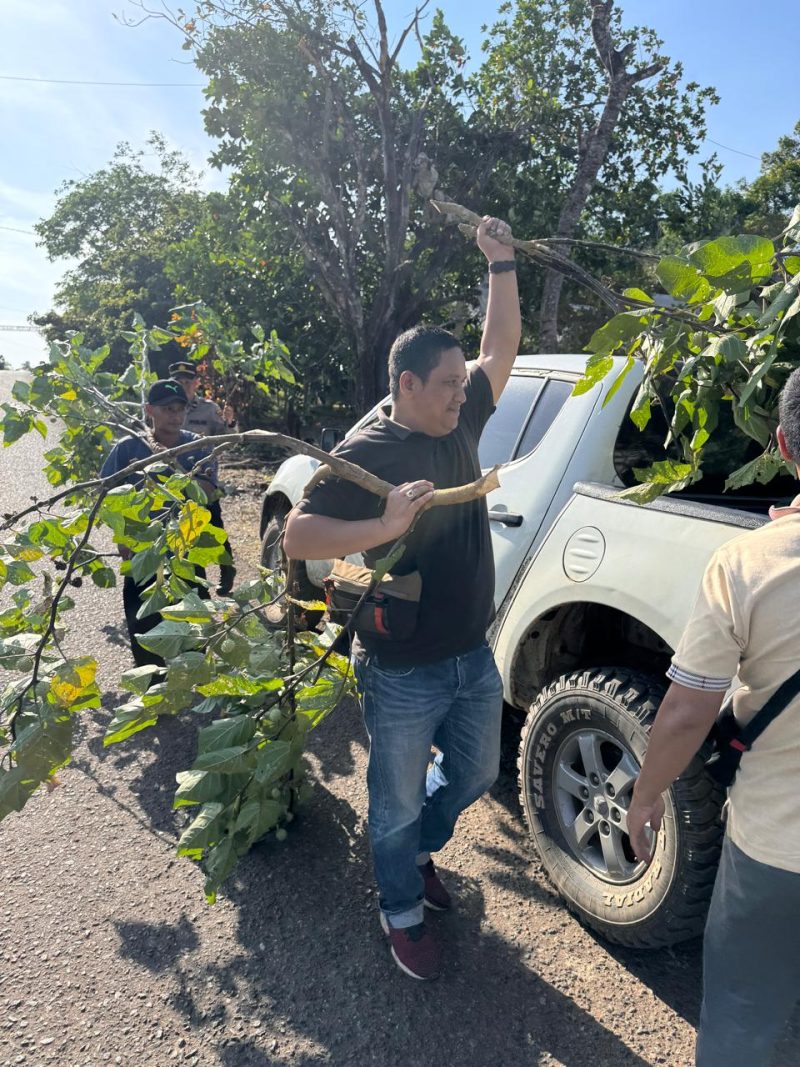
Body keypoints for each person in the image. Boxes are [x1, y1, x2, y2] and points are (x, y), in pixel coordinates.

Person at [284, 216, 521, 980]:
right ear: (406, 385)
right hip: (401, 666)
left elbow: (501, 348)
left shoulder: (460, 417)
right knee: (388, 804)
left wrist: (503, 265)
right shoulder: (368, 451)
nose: (465, 392)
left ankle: (418, 844)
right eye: (447, 384)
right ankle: (401, 908)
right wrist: (384, 520)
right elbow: (296, 534)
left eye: (463, 382)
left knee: (479, 774)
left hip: (471, 651)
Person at [627, 367, 800, 1066]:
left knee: (742, 1019)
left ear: (784, 446)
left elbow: (684, 713)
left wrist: (644, 795)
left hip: (777, 852)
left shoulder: (749, 565)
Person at [100, 379, 218, 668]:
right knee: (142, 618)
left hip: (184, 546)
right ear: (150, 410)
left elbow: (210, 491)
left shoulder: (197, 447)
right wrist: (122, 535)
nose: (176, 416)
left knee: (195, 614)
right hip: (142, 547)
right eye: (168, 409)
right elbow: (108, 494)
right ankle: (152, 679)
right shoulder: (128, 449)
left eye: (181, 409)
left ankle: (194, 672)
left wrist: (178, 472)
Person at [168, 360, 237, 596]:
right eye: (178, 382)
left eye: (188, 382)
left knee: (215, 528)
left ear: (196, 383)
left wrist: (230, 423)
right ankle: (200, 589)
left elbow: (229, 442)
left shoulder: (209, 409)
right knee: (188, 535)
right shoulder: (164, 409)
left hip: (205, 482)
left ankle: (227, 569)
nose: (183, 386)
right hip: (175, 482)